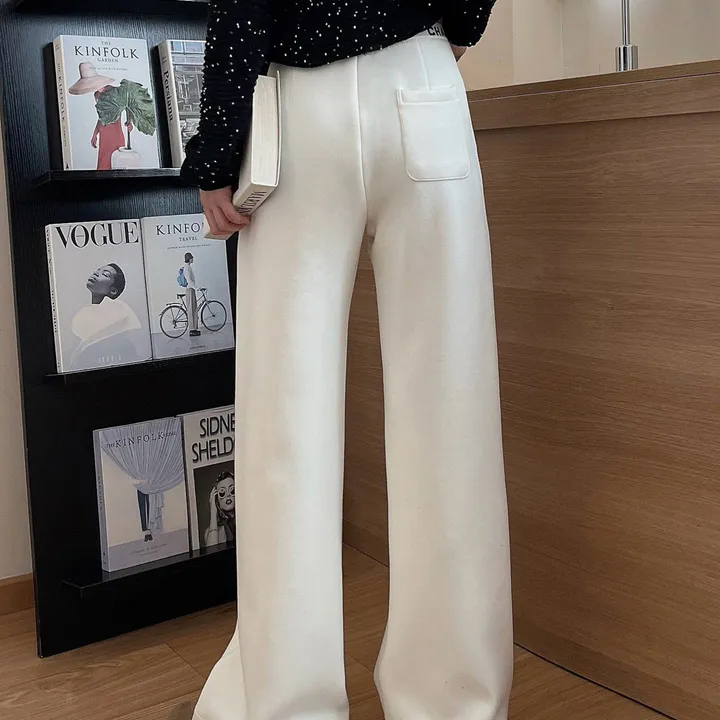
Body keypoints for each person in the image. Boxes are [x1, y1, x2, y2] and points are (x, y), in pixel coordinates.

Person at [181, 3, 512, 720]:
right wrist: (455, 26)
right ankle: (455, 702)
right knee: (451, 410)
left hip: (302, 105)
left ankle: (286, 703)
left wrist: (218, 148)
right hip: (422, 79)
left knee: (287, 420)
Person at [70, 263, 143, 369]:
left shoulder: (119, 312)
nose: (96, 273)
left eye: (105, 274)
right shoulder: (84, 312)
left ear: (113, 291)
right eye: (97, 270)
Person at [204, 470, 236, 547]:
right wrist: (213, 511)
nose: (228, 495)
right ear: (217, 500)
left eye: (232, 490)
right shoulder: (211, 532)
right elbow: (212, 553)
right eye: (222, 492)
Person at [183, 252, 200, 337]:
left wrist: (195, 288)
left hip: (191, 289)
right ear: (189, 259)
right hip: (190, 289)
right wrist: (196, 288)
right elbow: (189, 280)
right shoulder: (187, 268)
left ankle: (194, 329)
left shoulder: (188, 267)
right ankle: (192, 330)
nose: (193, 259)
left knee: (193, 309)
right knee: (191, 309)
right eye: (191, 258)